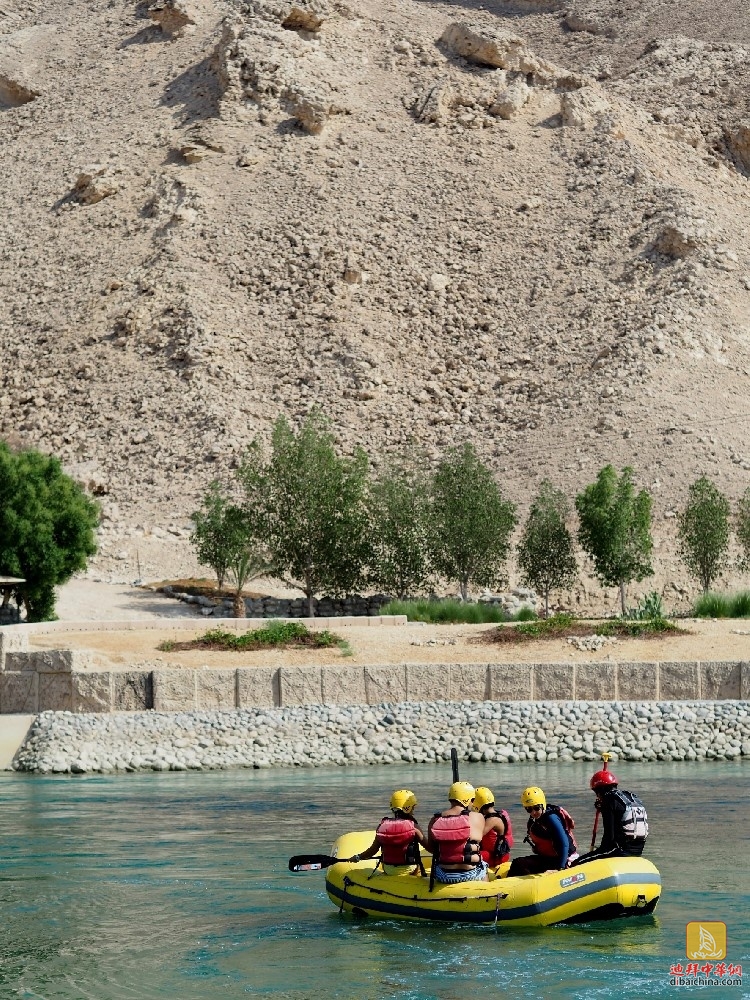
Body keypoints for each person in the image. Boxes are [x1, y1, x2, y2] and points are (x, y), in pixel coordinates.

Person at [344, 789, 428, 874]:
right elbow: (429, 847)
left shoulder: (382, 827)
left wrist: (357, 857)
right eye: (413, 807)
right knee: (418, 866)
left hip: (388, 870)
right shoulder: (414, 827)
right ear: (410, 808)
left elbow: (372, 851)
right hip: (410, 869)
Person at [574, 767, 649, 864]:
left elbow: (609, 837)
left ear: (598, 790)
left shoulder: (609, 800)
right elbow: (620, 814)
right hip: (638, 850)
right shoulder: (631, 797)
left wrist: (599, 851)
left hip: (619, 850)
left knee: (577, 862)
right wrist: (602, 809)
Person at [507, 786, 578, 876]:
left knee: (519, 864)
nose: (533, 812)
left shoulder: (551, 818)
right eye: (529, 809)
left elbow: (564, 844)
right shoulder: (535, 819)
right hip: (549, 858)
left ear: (543, 805)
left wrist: (561, 868)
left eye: (536, 808)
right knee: (518, 863)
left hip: (564, 859)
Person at [428, 781, 488, 884]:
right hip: (470, 874)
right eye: (472, 800)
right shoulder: (478, 817)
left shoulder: (435, 819)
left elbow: (432, 849)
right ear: (468, 800)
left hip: (443, 875)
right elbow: (478, 841)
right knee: (484, 865)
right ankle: (487, 894)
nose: (472, 803)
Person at [473, 786, 514, 868]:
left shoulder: (492, 820)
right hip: (499, 854)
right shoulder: (501, 814)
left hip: (496, 857)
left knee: (467, 855)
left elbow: (476, 837)